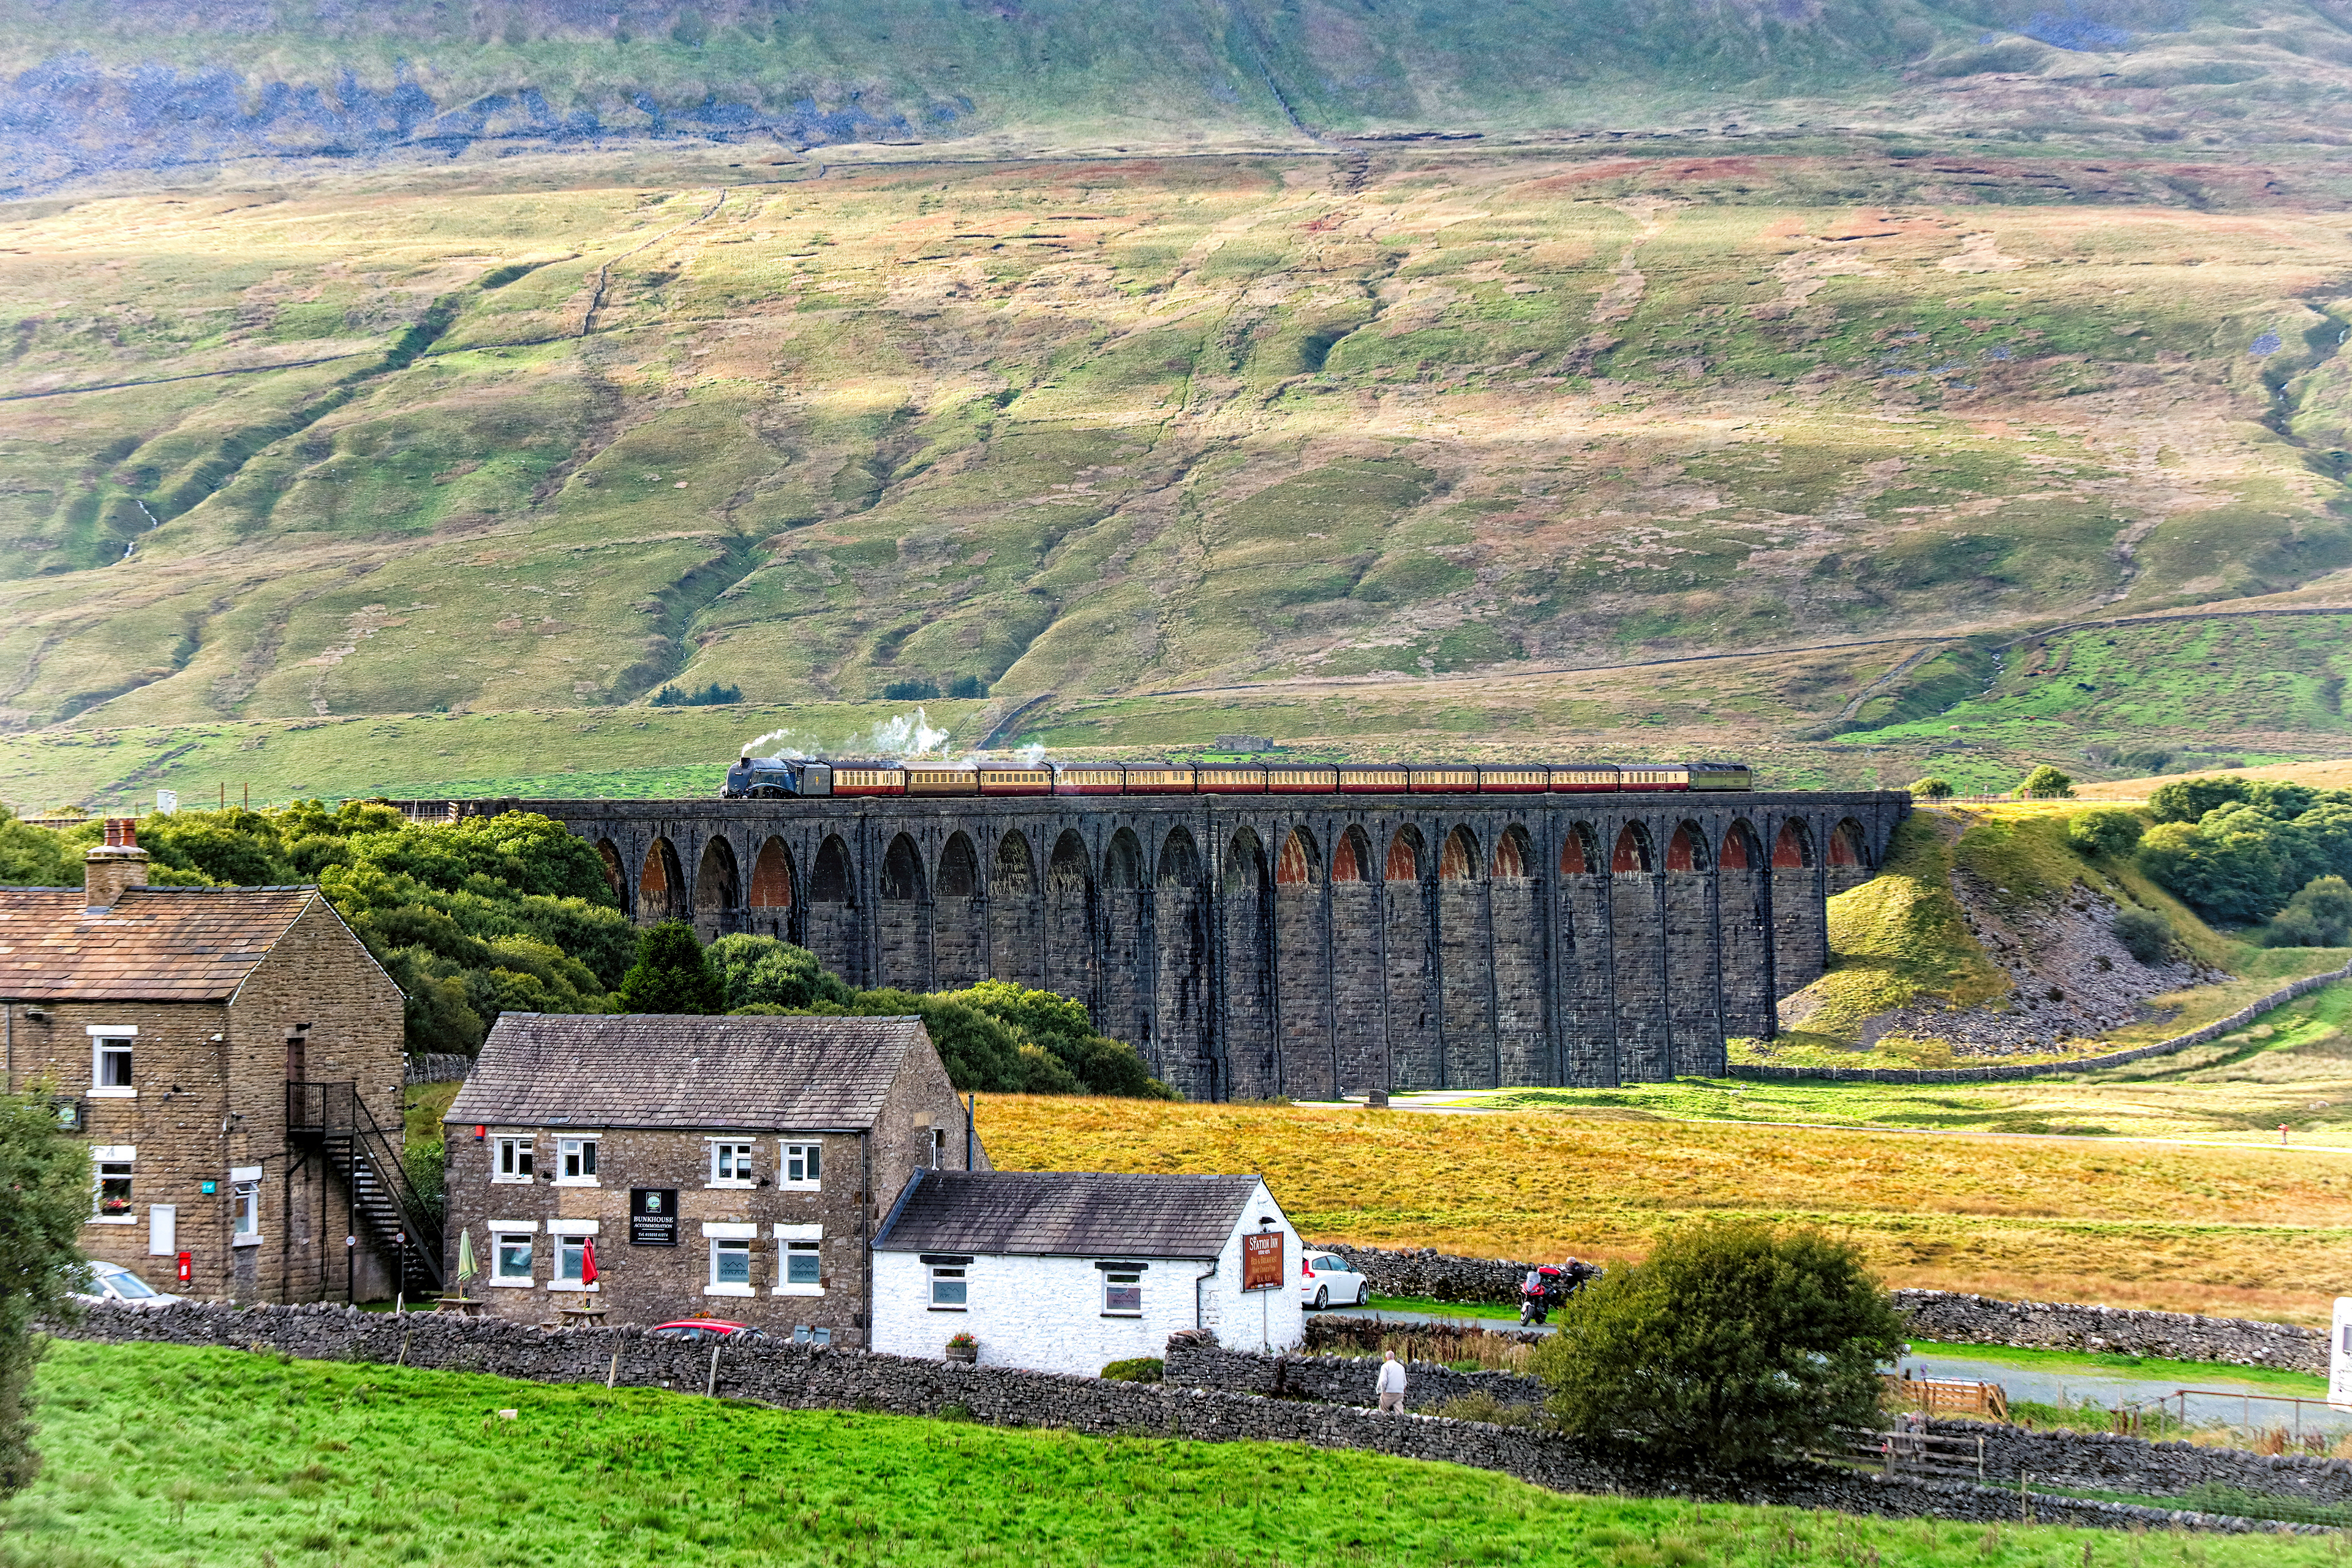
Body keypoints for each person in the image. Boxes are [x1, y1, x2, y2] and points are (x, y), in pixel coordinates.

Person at [1376, 1350, 1407, 1414]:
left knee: (1383, 1410)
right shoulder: (1401, 1367)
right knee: (1399, 1412)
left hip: (1389, 1392)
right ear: (1394, 1358)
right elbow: (1405, 1383)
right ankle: (1401, 1420)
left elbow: (1383, 1381)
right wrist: (1401, 1390)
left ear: (1386, 1358)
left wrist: (1383, 1391)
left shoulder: (1385, 1366)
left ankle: (1384, 1420)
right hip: (1400, 1393)